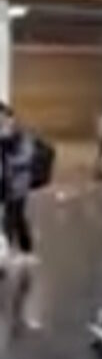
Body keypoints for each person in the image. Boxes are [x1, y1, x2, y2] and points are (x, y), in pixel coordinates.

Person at [0, 103, 36, 257]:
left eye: (4, 118)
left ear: (11, 118)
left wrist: (9, 160)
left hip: (17, 185)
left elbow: (26, 157)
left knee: (11, 219)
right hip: (5, 185)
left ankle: (10, 251)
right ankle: (25, 248)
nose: (2, 122)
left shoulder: (21, 136)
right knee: (17, 219)